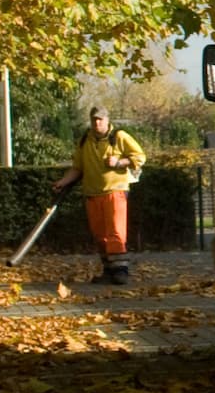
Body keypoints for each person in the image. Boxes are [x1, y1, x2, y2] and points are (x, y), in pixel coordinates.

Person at [53, 104, 146, 282]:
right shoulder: (84, 140)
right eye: (94, 120)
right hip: (92, 193)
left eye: (100, 119)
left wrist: (119, 162)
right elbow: (77, 168)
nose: (97, 123)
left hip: (115, 190)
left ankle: (121, 271)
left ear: (107, 120)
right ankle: (109, 270)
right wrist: (62, 182)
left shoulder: (119, 136)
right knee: (100, 235)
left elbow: (140, 157)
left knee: (116, 232)